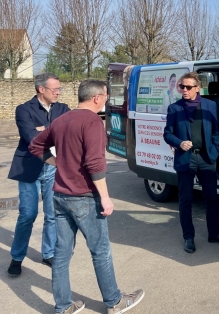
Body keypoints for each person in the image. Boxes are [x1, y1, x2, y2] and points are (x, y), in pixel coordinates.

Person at [29, 79, 144, 314]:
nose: (106, 100)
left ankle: (63, 306)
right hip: (84, 197)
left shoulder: (61, 120)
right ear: (96, 98)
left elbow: (36, 145)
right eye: (106, 96)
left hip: (60, 195)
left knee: (61, 254)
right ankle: (114, 301)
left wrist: (57, 163)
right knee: (100, 250)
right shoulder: (92, 121)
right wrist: (106, 197)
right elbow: (94, 163)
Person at [163, 72, 219, 253]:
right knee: (185, 200)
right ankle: (188, 237)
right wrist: (179, 143)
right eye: (182, 87)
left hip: (206, 158)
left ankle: (214, 233)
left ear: (197, 88)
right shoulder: (174, 108)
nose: (184, 90)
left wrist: (214, 150)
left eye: (188, 87)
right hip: (185, 159)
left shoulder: (211, 106)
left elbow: (218, 132)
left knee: (212, 198)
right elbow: (167, 134)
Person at [7, 73, 70, 277]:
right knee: (28, 214)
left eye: (59, 89)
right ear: (41, 89)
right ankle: (17, 257)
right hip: (29, 168)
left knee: (52, 214)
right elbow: (31, 137)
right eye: (55, 89)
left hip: (54, 166)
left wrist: (44, 129)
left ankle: (49, 253)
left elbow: (68, 133)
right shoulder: (24, 109)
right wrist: (53, 130)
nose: (59, 92)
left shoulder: (63, 109)